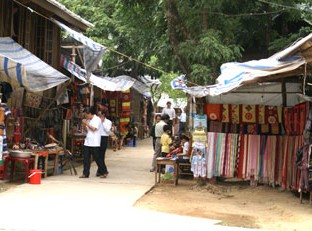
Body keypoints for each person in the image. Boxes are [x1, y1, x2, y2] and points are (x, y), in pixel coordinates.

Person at [79, 107, 105, 178]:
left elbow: (94, 129)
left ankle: (103, 171)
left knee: (97, 158)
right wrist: (84, 125)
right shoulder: (89, 120)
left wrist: (86, 123)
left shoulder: (97, 119)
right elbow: (87, 131)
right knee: (86, 158)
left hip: (94, 142)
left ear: (90, 114)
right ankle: (85, 173)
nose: (86, 117)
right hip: (87, 141)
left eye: (86, 115)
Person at [97, 109, 112, 178]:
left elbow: (107, 130)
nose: (99, 116)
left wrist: (102, 122)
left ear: (103, 115)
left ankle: (102, 170)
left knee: (101, 155)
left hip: (104, 138)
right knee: (97, 155)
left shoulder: (108, 122)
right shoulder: (97, 121)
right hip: (97, 138)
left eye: (100, 115)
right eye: (98, 115)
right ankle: (101, 170)